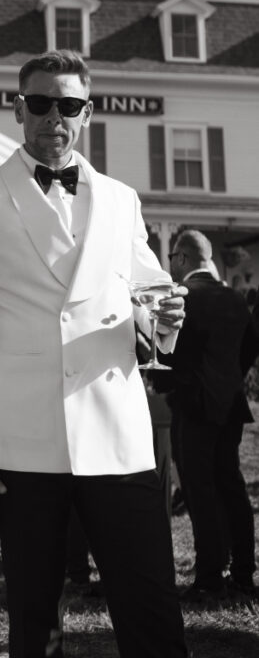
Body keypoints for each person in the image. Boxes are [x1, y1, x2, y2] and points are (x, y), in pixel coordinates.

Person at [0, 49, 190, 658]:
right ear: (19, 109)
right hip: (23, 440)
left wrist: (166, 317)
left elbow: (149, 297)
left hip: (117, 432)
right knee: (33, 616)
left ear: (87, 113)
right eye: (41, 103)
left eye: (68, 105)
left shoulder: (123, 199)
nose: (55, 116)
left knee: (150, 607)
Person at [167, 229, 256, 599]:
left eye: (172, 257)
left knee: (199, 490)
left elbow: (169, 356)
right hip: (231, 406)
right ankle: (243, 570)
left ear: (184, 258)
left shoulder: (182, 299)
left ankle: (208, 577)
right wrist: (229, 381)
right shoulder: (236, 299)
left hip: (193, 406)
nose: (169, 264)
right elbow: (250, 346)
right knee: (232, 486)